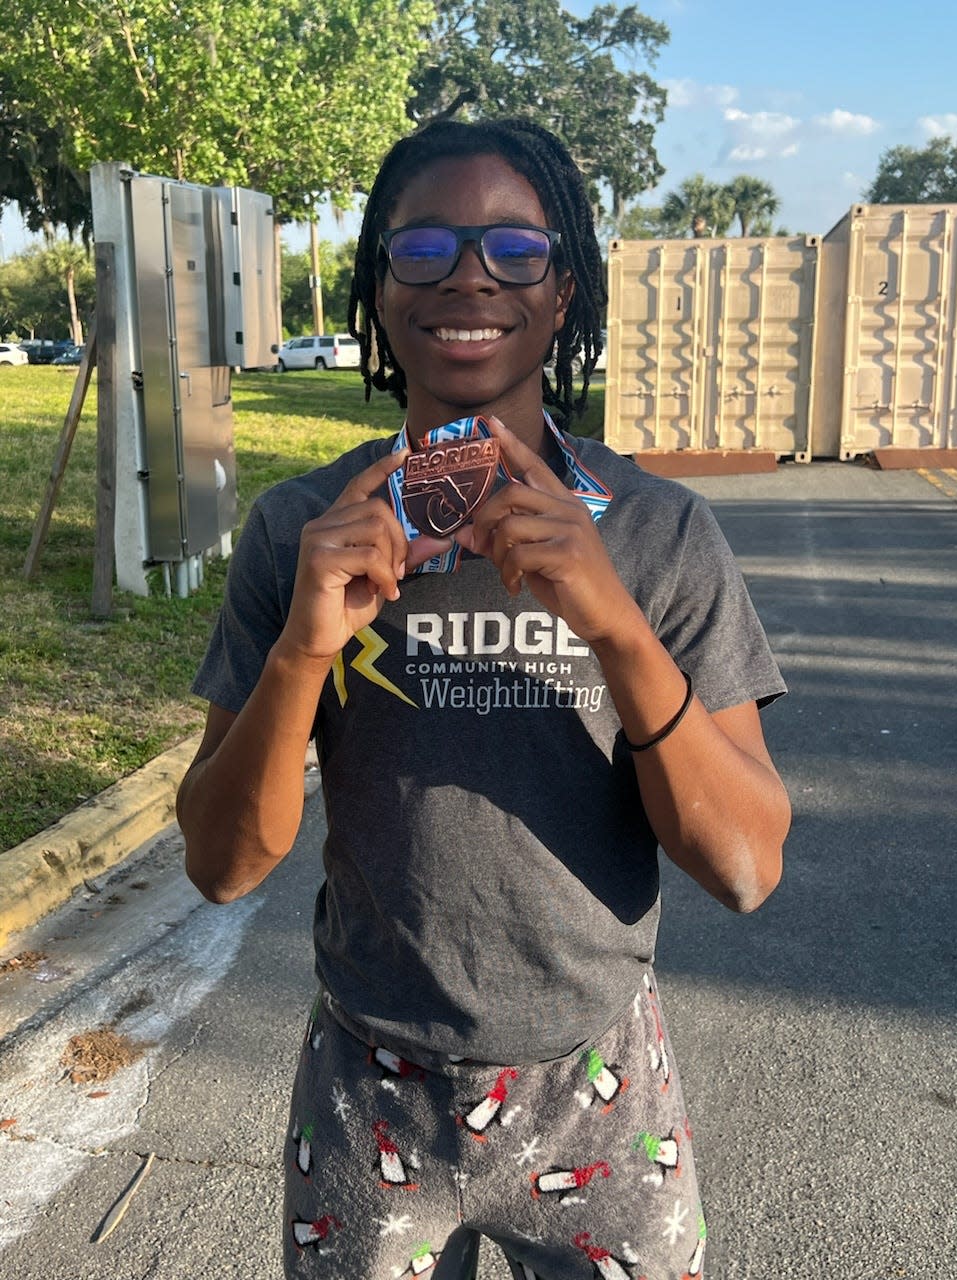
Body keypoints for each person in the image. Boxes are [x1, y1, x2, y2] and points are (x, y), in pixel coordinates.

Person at [177, 117, 791, 1280]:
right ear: (378, 291)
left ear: (563, 292)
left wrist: (613, 620)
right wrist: (304, 650)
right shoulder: (299, 536)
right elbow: (219, 865)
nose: (469, 274)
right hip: (370, 1086)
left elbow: (747, 864)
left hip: (598, 1087)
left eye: (514, 247)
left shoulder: (660, 535)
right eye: (425, 248)